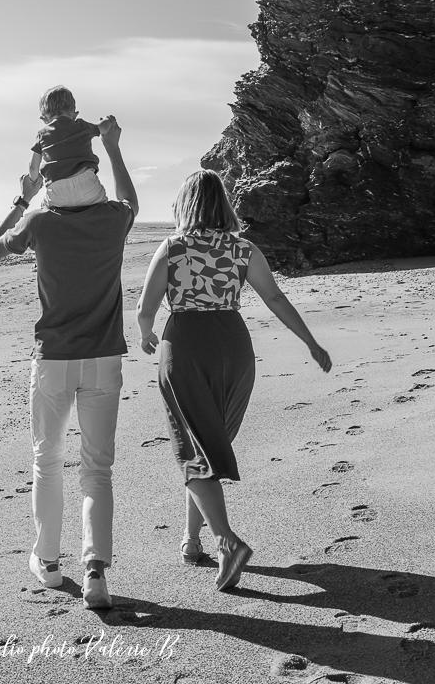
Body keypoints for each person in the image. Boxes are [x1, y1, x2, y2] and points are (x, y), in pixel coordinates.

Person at [136, 169, 332, 590]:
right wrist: (310, 342)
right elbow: (275, 298)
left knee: (193, 448)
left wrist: (146, 332)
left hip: (186, 344)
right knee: (206, 446)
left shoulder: (173, 247)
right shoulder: (243, 249)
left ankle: (227, 541)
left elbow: (144, 306)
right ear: (224, 204)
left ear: (184, 204)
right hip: (234, 348)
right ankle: (192, 542)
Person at [0, 115, 138, 610]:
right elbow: (131, 202)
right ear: (88, 173)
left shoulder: (40, 221)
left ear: (49, 180)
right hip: (103, 360)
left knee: (46, 461)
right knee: (97, 470)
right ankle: (95, 573)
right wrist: (114, 148)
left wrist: (21, 198)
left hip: (53, 359)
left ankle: (48, 564)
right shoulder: (113, 218)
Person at [26, 85, 109, 210]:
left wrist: (34, 181)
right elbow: (103, 127)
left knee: (45, 210)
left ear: (44, 119)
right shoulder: (82, 126)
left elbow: (33, 168)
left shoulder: (42, 134)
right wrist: (108, 121)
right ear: (75, 114)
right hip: (86, 182)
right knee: (103, 208)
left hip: (57, 188)